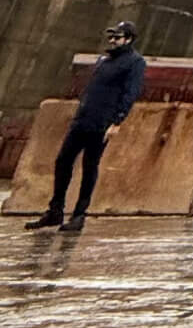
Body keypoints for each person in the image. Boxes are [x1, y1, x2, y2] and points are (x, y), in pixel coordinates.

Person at [26, 19, 146, 234]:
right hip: (83, 119)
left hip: (102, 123)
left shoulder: (134, 62)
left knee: (90, 166)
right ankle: (55, 210)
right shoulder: (104, 61)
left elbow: (130, 93)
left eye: (117, 37)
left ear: (128, 39)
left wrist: (117, 121)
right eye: (110, 37)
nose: (111, 40)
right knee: (63, 161)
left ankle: (79, 214)